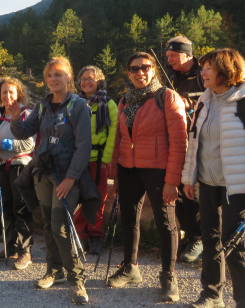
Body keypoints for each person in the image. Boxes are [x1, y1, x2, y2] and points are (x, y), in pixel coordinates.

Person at [182, 48, 245, 308]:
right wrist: (188, 178)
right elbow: (194, 142)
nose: (202, 73)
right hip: (207, 182)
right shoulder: (206, 99)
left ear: (226, 70)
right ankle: (212, 295)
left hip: (240, 186)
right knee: (210, 238)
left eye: (208, 69)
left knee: (235, 244)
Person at [9, 57, 93, 304]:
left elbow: (83, 147)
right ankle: (53, 271)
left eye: (58, 74)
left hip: (67, 176)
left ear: (69, 77)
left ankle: (77, 281)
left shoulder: (78, 106)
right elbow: (25, 132)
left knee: (60, 225)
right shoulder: (42, 106)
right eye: (49, 76)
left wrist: (71, 178)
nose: (53, 79)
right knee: (47, 223)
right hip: (43, 174)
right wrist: (15, 117)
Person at [108, 52, 187, 302]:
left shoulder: (167, 97)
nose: (140, 72)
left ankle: (168, 276)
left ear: (154, 70)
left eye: (145, 67)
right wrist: (114, 176)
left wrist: (172, 180)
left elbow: (179, 142)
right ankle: (131, 268)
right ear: (127, 73)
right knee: (129, 219)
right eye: (134, 69)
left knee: (166, 224)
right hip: (129, 168)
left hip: (158, 170)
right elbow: (118, 140)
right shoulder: (125, 102)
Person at [0, 77, 35, 270]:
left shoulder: (25, 114)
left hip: (20, 167)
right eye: (4, 92)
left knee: (21, 208)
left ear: (19, 94)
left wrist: (1, 144)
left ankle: (25, 251)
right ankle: (11, 246)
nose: (8, 96)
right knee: (5, 207)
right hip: (2, 167)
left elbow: (29, 144)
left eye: (11, 92)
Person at [166, 35, 205, 263]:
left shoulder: (203, 74)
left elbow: (213, 96)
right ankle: (190, 236)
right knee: (179, 193)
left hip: (202, 143)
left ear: (188, 55)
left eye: (173, 55)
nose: (169, 59)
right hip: (178, 141)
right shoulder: (171, 75)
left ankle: (200, 238)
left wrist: (190, 103)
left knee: (197, 193)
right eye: (168, 55)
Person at [73, 66, 118, 255]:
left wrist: (106, 159)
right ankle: (80, 234)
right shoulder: (74, 104)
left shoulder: (108, 104)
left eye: (91, 78)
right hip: (76, 160)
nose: (86, 82)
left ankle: (95, 235)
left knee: (97, 199)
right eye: (83, 79)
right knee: (78, 199)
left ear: (99, 80)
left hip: (98, 160)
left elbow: (113, 134)